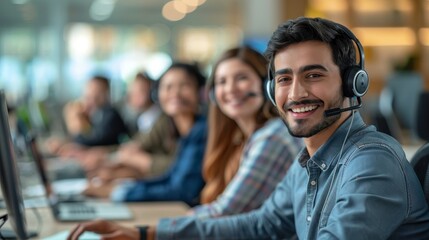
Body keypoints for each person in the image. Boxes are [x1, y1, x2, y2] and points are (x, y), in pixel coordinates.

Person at [67, 17, 429, 240]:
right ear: (272, 91)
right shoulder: (309, 159)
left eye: (314, 75)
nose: (296, 93)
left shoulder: (369, 162)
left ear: (353, 83)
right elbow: (259, 224)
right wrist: (146, 233)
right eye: (284, 79)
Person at [191, 46, 302, 218]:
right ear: (213, 94)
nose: (230, 89)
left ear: (268, 86)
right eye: (222, 82)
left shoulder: (273, 137)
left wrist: (156, 229)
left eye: (241, 78)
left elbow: (225, 212)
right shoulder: (240, 138)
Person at [82, 62, 208, 207]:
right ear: (158, 93)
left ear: (200, 91)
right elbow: (169, 178)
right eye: (168, 87)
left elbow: (181, 189)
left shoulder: (201, 130)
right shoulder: (172, 123)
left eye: (184, 86)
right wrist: (122, 187)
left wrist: (119, 192)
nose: (175, 93)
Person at [46, 75, 129, 157]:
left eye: (94, 91)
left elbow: (96, 141)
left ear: (105, 92)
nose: (89, 95)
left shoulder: (110, 114)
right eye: (88, 91)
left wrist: (71, 143)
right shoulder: (95, 114)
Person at [118, 72, 161, 136]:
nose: (134, 97)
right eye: (132, 93)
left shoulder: (160, 118)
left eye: (140, 91)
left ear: (152, 93)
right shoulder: (139, 118)